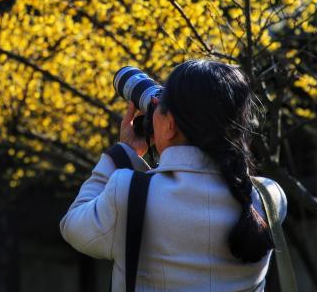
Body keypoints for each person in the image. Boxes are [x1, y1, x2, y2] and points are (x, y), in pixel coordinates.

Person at [60, 59, 287, 292]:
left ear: (170, 125)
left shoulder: (126, 193)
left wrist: (123, 153)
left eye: (159, 105)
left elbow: (73, 226)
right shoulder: (269, 198)